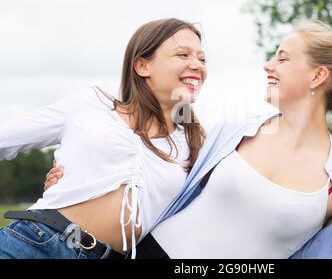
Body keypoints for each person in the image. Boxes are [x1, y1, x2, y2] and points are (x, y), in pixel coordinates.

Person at [45, 20, 332, 259]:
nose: (268, 65)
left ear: (317, 76)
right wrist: (78, 175)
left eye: (283, 58)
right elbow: (158, 172)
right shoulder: (236, 131)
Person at [0, 18, 207, 259]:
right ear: (142, 66)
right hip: (36, 244)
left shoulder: (195, 146)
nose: (197, 65)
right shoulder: (90, 104)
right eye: (183, 55)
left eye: (202, 59)